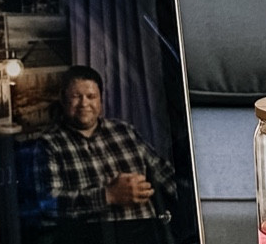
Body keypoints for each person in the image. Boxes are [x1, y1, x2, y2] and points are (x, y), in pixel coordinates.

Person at [34, 65, 175, 225]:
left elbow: (164, 172)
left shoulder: (125, 131)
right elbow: (48, 205)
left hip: (145, 235)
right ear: (63, 98)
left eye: (91, 96)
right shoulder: (48, 144)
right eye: (76, 96)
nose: (84, 103)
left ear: (100, 98)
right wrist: (108, 195)